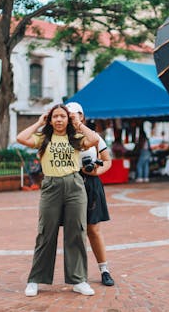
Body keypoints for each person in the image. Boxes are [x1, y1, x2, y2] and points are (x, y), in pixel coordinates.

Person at [16, 104, 99, 297]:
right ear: (50, 119)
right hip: (51, 186)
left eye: (63, 116)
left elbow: (94, 139)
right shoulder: (43, 138)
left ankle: (79, 280)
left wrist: (78, 123)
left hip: (74, 187)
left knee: (77, 232)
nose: (59, 120)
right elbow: (21, 138)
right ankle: (35, 279)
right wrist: (38, 122)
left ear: (68, 119)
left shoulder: (75, 138)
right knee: (45, 233)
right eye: (56, 117)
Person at [65, 102, 115, 287]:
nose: (72, 118)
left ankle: (105, 270)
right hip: (71, 182)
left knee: (93, 229)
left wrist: (96, 172)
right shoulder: (62, 137)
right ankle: (79, 273)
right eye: (69, 115)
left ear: (82, 116)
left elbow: (107, 161)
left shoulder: (93, 136)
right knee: (75, 231)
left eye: (76, 115)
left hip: (91, 183)